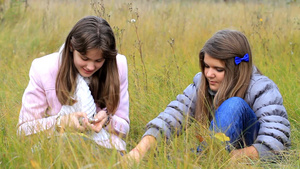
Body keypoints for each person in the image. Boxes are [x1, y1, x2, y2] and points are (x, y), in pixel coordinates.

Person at [126, 29, 290, 162]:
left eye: (218, 69)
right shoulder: (202, 82)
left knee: (234, 104)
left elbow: (276, 139)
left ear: (236, 69)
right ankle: (201, 159)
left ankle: (203, 160)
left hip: (253, 155)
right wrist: (138, 151)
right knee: (156, 159)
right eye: (206, 66)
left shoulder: (263, 87)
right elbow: (173, 114)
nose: (209, 74)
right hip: (217, 153)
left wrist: (233, 158)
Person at [17, 16, 129, 151]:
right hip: (58, 149)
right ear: (71, 47)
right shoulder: (43, 68)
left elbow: (125, 128)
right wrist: (60, 123)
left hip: (105, 150)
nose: (90, 67)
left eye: (98, 60)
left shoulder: (118, 66)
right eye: (84, 58)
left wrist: (107, 121)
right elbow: (22, 130)